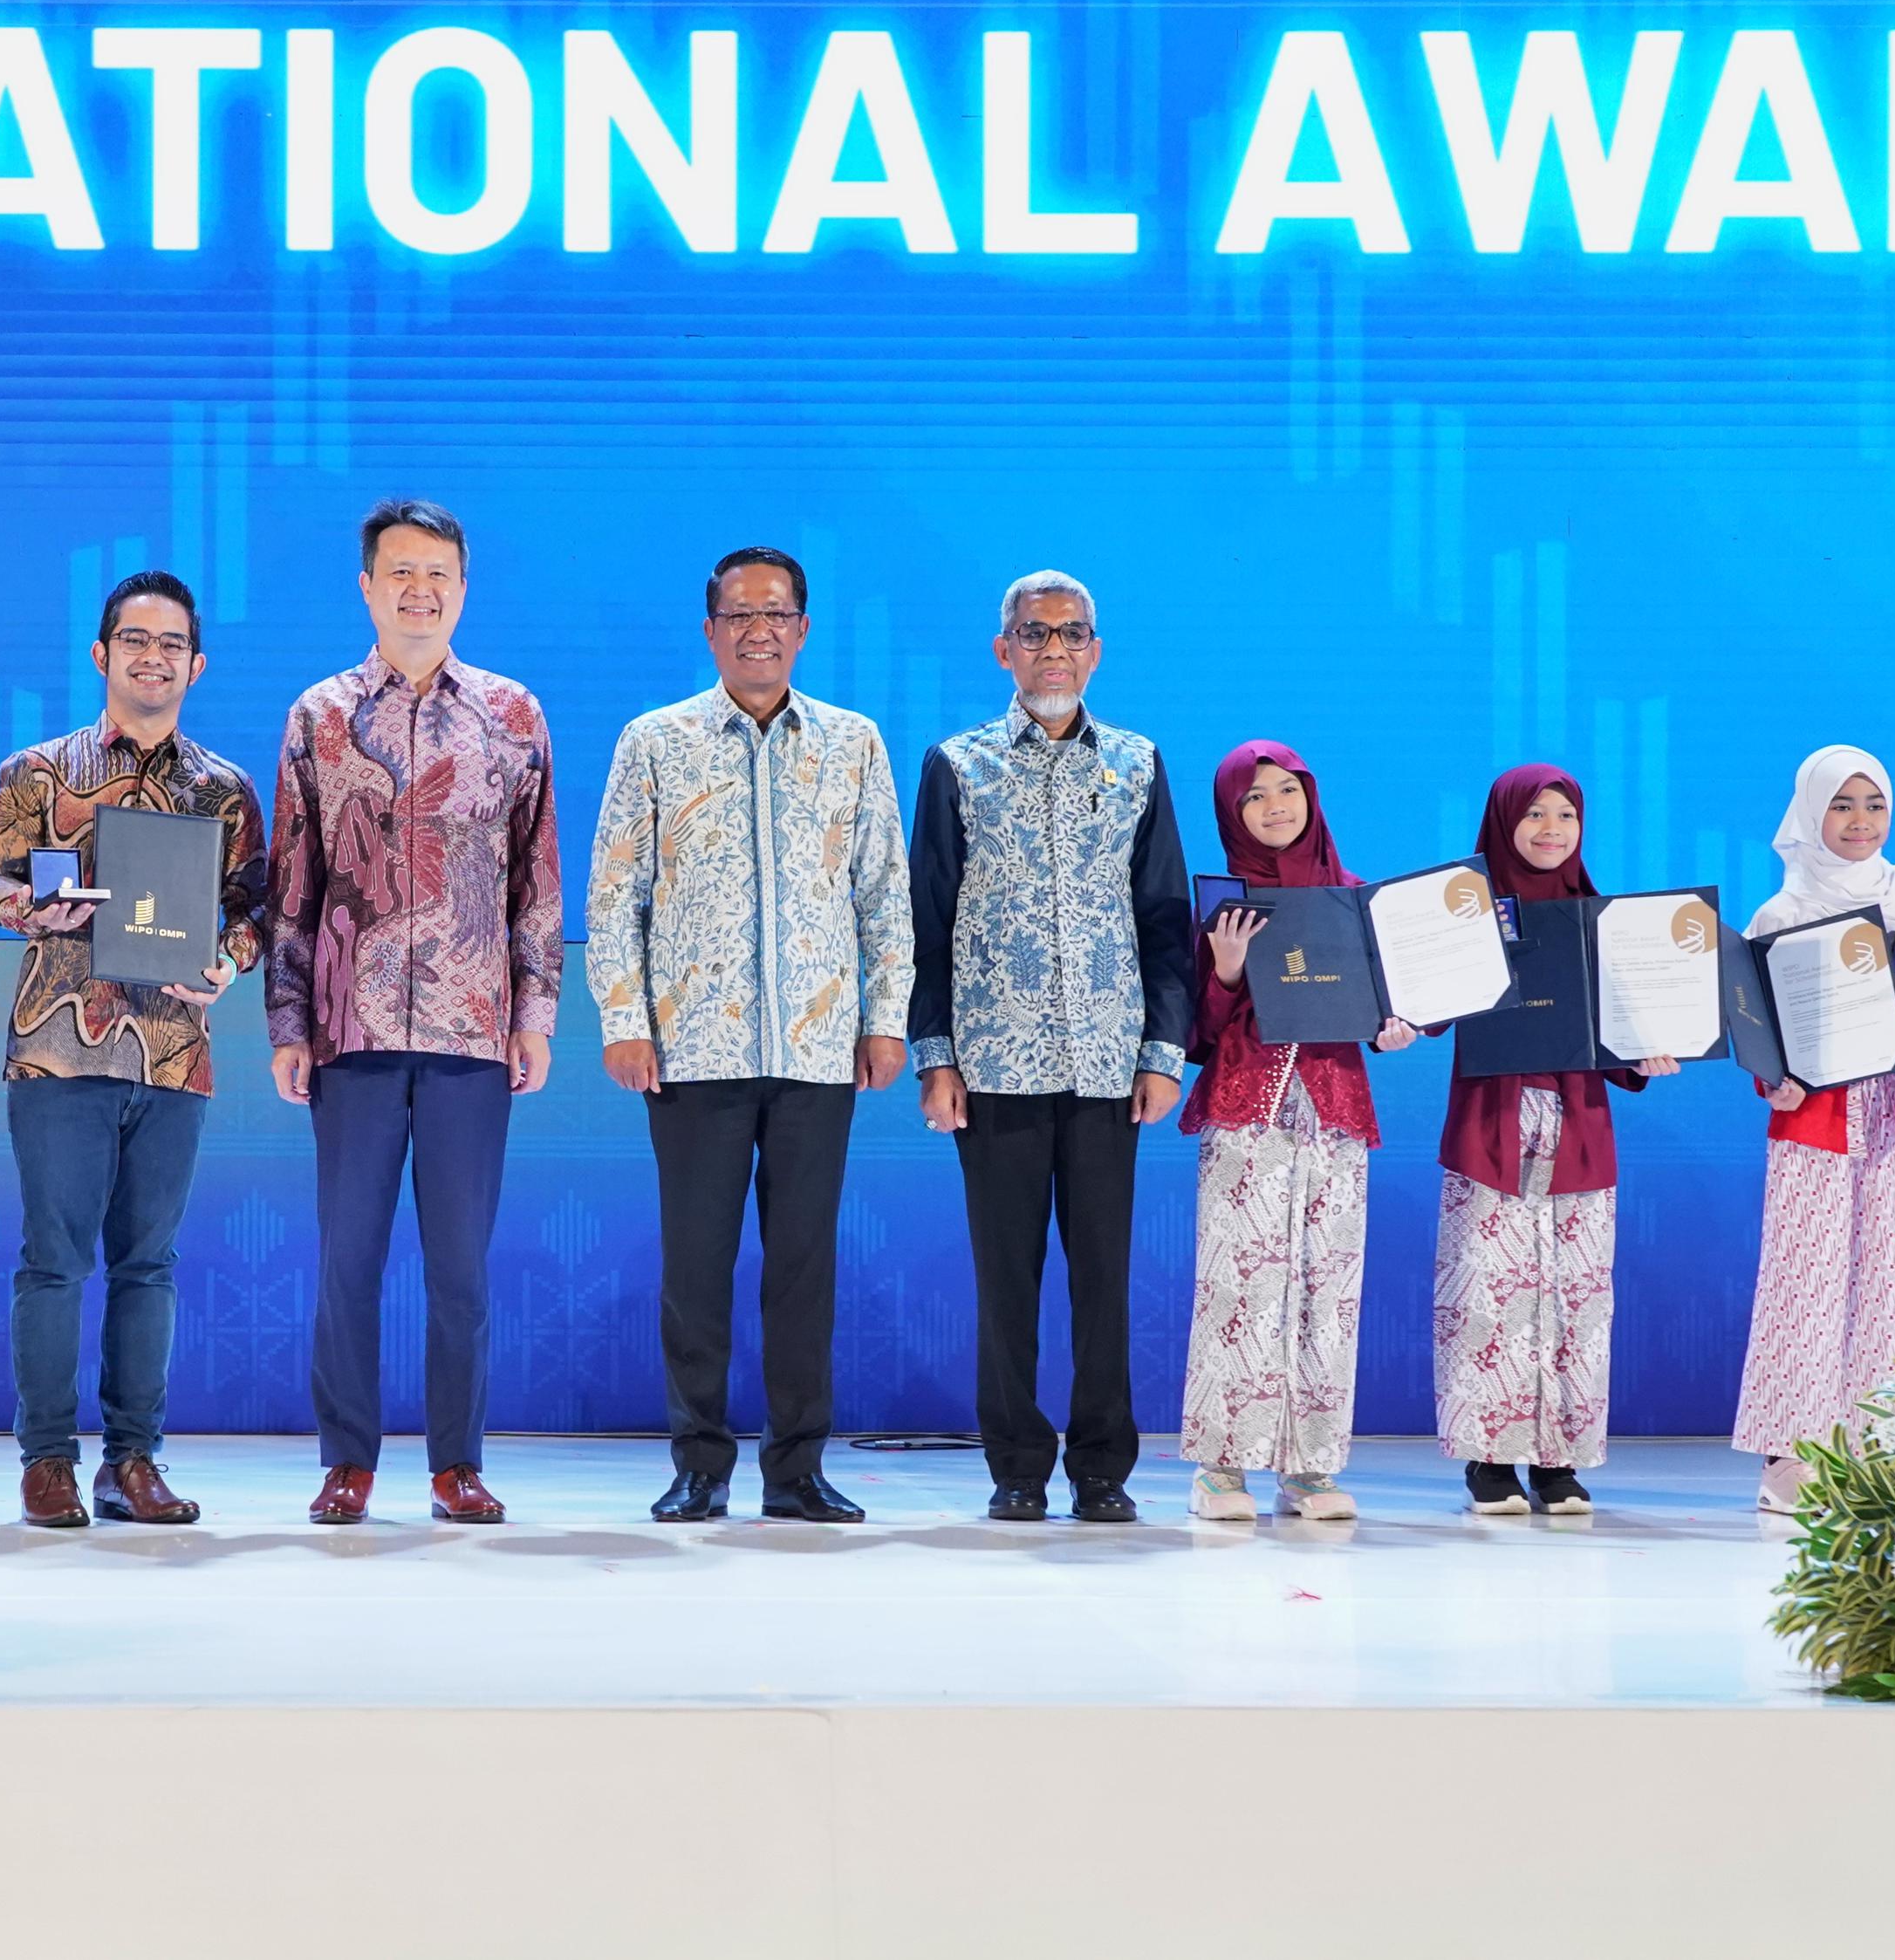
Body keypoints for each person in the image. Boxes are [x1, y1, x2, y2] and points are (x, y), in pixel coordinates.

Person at [588, 545, 912, 1525]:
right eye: (739, 614)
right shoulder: (655, 740)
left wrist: (885, 1019)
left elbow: (882, 892)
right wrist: (623, 1019)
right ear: (710, 630)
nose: (758, 630)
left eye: (776, 614)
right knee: (695, 1267)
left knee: (803, 1268)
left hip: (818, 1049)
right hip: (692, 1048)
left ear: (803, 630)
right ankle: (698, 1464)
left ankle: (796, 1468)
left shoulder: (853, 742)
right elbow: (615, 893)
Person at [266, 499, 562, 1526]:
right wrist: (288, 1023)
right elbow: (292, 882)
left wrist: (535, 1013)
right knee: (346, 1259)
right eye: (399, 571)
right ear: (366, 587)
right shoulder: (318, 716)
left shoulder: (512, 715)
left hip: (470, 1026)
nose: (418, 590)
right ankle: (346, 1462)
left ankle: (455, 1465)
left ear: (463, 588)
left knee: (460, 1269)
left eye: (437, 572)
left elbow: (535, 879)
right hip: (346, 1029)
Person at [0, 571, 267, 1529]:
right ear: (101, 654)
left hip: (175, 1052)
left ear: (196, 665)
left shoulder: (223, 789)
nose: (153, 658)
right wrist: (32, 907)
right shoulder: (37, 771)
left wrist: (228, 964)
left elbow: (252, 911)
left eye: (172, 644)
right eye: (135, 641)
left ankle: (133, 1461)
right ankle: (47, 1461)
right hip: (58, 1049)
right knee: (53, 1261)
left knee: (149, 1265)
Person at [905, 571, 1194, 1525]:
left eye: (1072, 633)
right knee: (1007, 1279)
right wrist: (935, 1056)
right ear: (1004, 651)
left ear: (1095, 650)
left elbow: (1164, 919)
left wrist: (1161, 1053)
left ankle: (1103, 1469)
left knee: (1104, 1278)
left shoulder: (1137, 764)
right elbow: (927, 921)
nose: (1054, 650)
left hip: (1109, 1065)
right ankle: (1017, 1467)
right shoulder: (958, 764)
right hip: (994, 1065)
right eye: (1034, 634)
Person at [1180, 741, 1417, 1523]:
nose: (1274, 806)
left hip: (1334, 1110)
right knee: (1239, 1288)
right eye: (1253, 797)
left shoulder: (1354, 898)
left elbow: (1392, 1005)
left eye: (1286, 790)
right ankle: (1221, 1467)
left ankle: (1311, 1466)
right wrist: (1225, 968)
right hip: (1247, 1108)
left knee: (1328, 1290)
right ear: (1231, 813)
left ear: (1311, 797)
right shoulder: (1223, 904)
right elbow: (1196, 1032)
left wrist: (1395, 1026)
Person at [1431, 767, 1677, 1517]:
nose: (1551, 829)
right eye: (1534, 813)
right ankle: (1490, 1459)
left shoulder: (1600, 922)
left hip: (1578, 1127)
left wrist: (1647, 1050)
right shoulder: (1469, 913)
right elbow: (1427, 1005)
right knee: (1489, 1293)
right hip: (1492, 1124)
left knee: (1576, 1297)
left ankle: (1558, 1462)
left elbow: (1622, 1027)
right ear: (1502, 820)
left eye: (1566, 814)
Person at [1733, 744, 1895, 1515]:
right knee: (1804, 1279)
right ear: (1811, 811)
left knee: (1891, 1279)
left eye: (1874, 805)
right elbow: (1758, 1025)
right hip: (1814, 1114)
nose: (1860, 821)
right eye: (1842, 805)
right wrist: (1772, 1079)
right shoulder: (1780, 913)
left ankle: (1885, 1447)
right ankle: (1793, 1456)